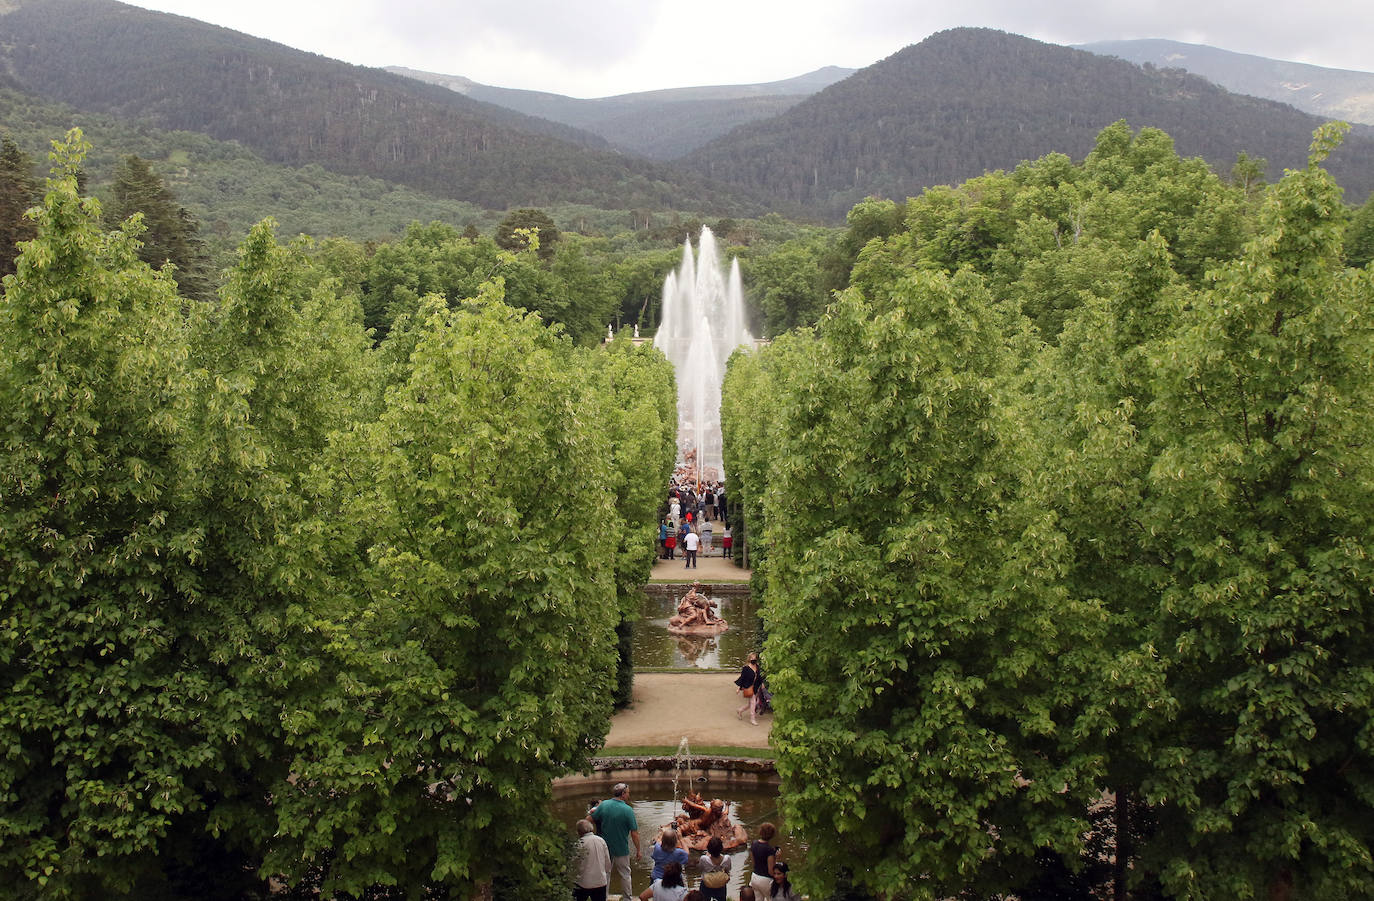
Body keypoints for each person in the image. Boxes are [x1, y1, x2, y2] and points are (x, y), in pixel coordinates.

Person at [591, 783, 641, 898]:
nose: (629, 795)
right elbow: (634, 833)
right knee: (625, 874)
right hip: (621, 848)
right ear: (623, 794)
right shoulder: (628, 810)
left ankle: (604, 897)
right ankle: (627, 899)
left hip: (605, 847)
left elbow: (589, 819)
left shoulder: (604, 805)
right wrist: (638, 850)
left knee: (605, 874)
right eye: (628, 793)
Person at [572, 819, 611, 901]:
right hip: (600, 881)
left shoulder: (580, 843)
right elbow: (607, 862)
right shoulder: (601, 840)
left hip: (583, 882)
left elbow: (574, 864)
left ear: (579, 832)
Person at [748, 823, 778, 898]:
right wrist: (777, 858)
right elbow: (771, 871)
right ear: (772, 835)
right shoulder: (769, 850)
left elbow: (754, 863)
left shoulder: (753, 844)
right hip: (766, 880)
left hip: (754, 877)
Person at [697, 836, 731, 901]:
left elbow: (700, 869)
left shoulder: (704, 859)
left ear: (709, 849)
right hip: (720, 883)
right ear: (721, 848)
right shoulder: (727, 858)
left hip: (706, 884)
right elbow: (728, 869)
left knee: (704, 899)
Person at [735, 652, 761, 725]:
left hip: (755, 687)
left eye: (755, 658)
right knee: (753, 702)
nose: (754, 659)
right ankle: (752, 719)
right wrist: (739, 688)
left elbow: (759, 677)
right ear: (749, 659)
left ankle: (740, 710)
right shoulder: (746, 668)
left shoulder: (757, 667)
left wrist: (761, 684)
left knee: (751, 704)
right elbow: (742, 678)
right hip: (748, 687)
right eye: (752, 658)